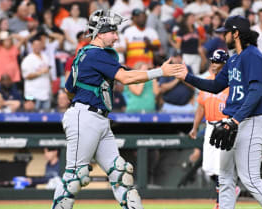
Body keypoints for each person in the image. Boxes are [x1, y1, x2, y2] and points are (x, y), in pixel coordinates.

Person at [52, 9, 183, 209]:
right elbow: (126, 78)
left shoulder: (83, 54)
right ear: (100, 33)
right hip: (85, 117)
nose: (116, 36)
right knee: (75, 176)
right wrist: (160, 71)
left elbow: (69, 90)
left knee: (120, 172)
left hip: (97, 118)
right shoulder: (96, 53)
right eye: (112, 32)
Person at [176, 15, 262, 209]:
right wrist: (187, 77)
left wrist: (234, 120)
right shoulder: (233, 60)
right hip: (232, 122)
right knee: (225, 178)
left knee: (250, 179)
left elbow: (256, 92)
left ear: (236, 34)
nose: (222, 36)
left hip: (251, 121)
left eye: (225, 32)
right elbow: (215, 85)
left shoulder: (253, 56)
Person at [188, 49, 239, 209]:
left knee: (220, 167)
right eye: (213, 61)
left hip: (224, 126)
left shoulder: (232, 83)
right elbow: (201, 107)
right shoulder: (207, 82)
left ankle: (220, 201)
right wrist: (195, 127)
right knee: (209, 168)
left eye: (217, 62)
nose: (214, 64)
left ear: (225, 64)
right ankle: (229, 191)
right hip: (210, 126)